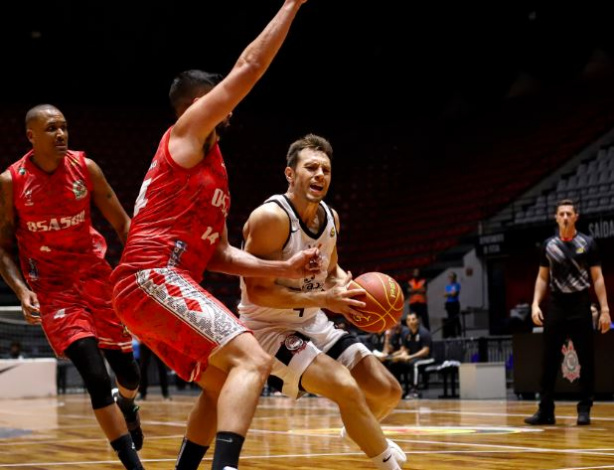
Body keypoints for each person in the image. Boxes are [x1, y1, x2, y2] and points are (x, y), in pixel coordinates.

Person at [110, 2, 320, 469]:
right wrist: (290, 6)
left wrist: (280, 267)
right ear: (195, 106)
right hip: (151, 274)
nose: (230, 107)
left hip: (155, 287)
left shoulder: (214, 171)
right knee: (253, 360)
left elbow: (220, 253)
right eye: (218, 99)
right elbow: (250, 65)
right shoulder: (184, 134)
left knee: (223, 382)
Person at [238, 134, 406, 470]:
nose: (320, 175)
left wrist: (346, 284)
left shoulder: (330, 218)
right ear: (290, 174)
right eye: (311, 167)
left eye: (326, 169)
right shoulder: (271, 218)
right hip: (268, 329)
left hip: (313, 323)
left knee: (388, 391)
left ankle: (358, 428)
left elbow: (331, 270)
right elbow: (257, 291)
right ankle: (386, 460)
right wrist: (325, 297)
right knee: (346, 386)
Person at [0, 104, 145, 470]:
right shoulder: (11, 181)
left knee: (129, 375)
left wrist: (137, 272)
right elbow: (2, 248)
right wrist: (21, 290)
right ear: (31, 135)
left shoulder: (86, 168)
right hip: (53, 288)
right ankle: (133, 465)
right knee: (95, 376)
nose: (61, 134)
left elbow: (124, 225)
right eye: (51, 128)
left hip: (97, 279)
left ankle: (128, 405)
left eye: (64, 127)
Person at [525, 199, 611, 426]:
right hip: (556, 304)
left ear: (576, 217)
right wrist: (535, 304)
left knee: (586, 359)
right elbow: (542, 277)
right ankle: (546, 410)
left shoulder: (587, 243)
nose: (565, 217)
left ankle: (584, 409)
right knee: (549, 360)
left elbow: (597, 278)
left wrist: (605, 310)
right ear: (556, 217)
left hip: (580, 304)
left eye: (569, 214)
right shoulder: (548, 245)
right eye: (561, 213)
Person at [392, 312, 434, 399]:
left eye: (413, 319)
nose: (411, 322)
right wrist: (400, 356)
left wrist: (410, 357)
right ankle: (398, 389)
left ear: (417, 320)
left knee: (414, 364)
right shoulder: (406, 334)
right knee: (395, 364)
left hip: (428, 358)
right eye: (408, 320)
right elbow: (405, 349)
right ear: (406, 322)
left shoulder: (424, 332)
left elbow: (425, 351)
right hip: (412, 358)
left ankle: (415, 391)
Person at [443, 272, 461, 338]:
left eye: (451, 277)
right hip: (449, 303)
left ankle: (459, 333)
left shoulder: (457, 285)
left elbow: (454, 294)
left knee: (456, 318)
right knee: (450, 319)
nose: (450, 278)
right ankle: (452, 334)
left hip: (455, 303)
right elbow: (444, 294)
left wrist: (449, 294)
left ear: (454, 278)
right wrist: (450, 294)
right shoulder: (447, 286)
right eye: (449, 277)